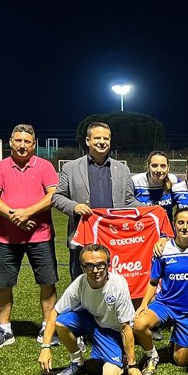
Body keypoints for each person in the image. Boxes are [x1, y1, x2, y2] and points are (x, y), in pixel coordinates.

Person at [0, 124, 59, 350]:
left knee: (47, 282)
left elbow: (53, 195)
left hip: (41, 236)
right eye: (18, 141)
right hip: (7, 238)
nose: (22, 145)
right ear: (10, 142)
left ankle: (47, 327)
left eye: (27, 141)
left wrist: (28, 212)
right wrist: (14, 216)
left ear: (34, 144)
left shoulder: (45, 166)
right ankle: (5, 330)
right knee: (4, 285)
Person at [38, 244, 148, 375]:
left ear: (108, 265)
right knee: (60, 322)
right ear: (82, 267)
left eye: (100, 265)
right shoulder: (80, 283)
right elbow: (54, 313)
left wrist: (132, 364)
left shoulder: (118, 284)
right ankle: (78, 363)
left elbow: (125, 328)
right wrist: (45, 347)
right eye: (89, 266)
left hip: (112, 331)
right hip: (92, 320)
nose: (95, 270)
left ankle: (120, 362)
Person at [52, 121, 134, 282]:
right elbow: (57, 196)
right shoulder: (71, 167)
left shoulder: (123, 169)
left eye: (106, 138)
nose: (102, 142)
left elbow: (129, 201)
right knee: (80, 282)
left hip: (114, 237)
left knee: (114, 281)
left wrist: (153, 210)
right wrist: (74, 207)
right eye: (97, 138)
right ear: (88, 141)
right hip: (82, 236)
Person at [134, 209, 188, 375]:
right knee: (138, 323)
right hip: (165, 304)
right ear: (174, 225)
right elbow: (153, 281)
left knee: (181, 361)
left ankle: (184, 337)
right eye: (180, 222)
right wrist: (144, 304)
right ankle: (152, 356)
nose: (185, 227)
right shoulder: (163, 249)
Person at [127, 150, 178, 219]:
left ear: (168, 167)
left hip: (165, 226)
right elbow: (127, 202)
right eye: (154, 166)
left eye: (163, 166)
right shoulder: (136, 181)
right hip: (143, 226)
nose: (159, 170)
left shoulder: (173, 180)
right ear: (148, 166)